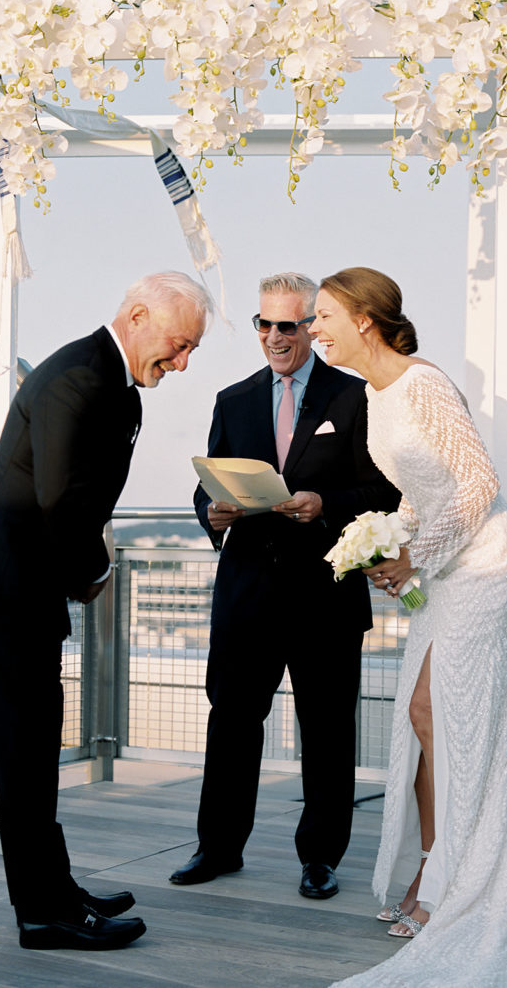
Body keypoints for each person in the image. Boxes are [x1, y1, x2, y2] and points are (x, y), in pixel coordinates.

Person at [309, 267, 507, 986]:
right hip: (440, 570)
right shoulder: (373, 393)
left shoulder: (424, 384)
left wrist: (413, 555)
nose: (314, 330)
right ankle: (440, 875)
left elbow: (476, 482)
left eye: (322, 316)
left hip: (487, 567)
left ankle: (451, 886)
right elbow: (416, 491)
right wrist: (382, 538)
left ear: (364, 319)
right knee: (427, 716)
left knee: (446, 718)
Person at [0, 272, 210, 951]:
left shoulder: (111, 380)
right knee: (24, 753)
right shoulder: (80, 376)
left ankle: (56, 889)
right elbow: (62, 498)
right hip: (2, 582)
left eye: (190, 351)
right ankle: (43, 912)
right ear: (139, 315)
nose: (181, 364)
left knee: (38, 743)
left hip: (26, 582)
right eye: (178, 345)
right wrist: (97, 569)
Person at [169, 273, 400, 900]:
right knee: (232, 722)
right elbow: (208, 481)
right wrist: (210, 513)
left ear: (311, 327)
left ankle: (321, 857)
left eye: (289, 325)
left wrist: (323, 501)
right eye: (264, 324)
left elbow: (383, 492)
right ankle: (216, 848)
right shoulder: (232, 399)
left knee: (327, 731)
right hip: (247, 594)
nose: (275, 337)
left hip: (325, 595)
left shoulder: (357, 397)